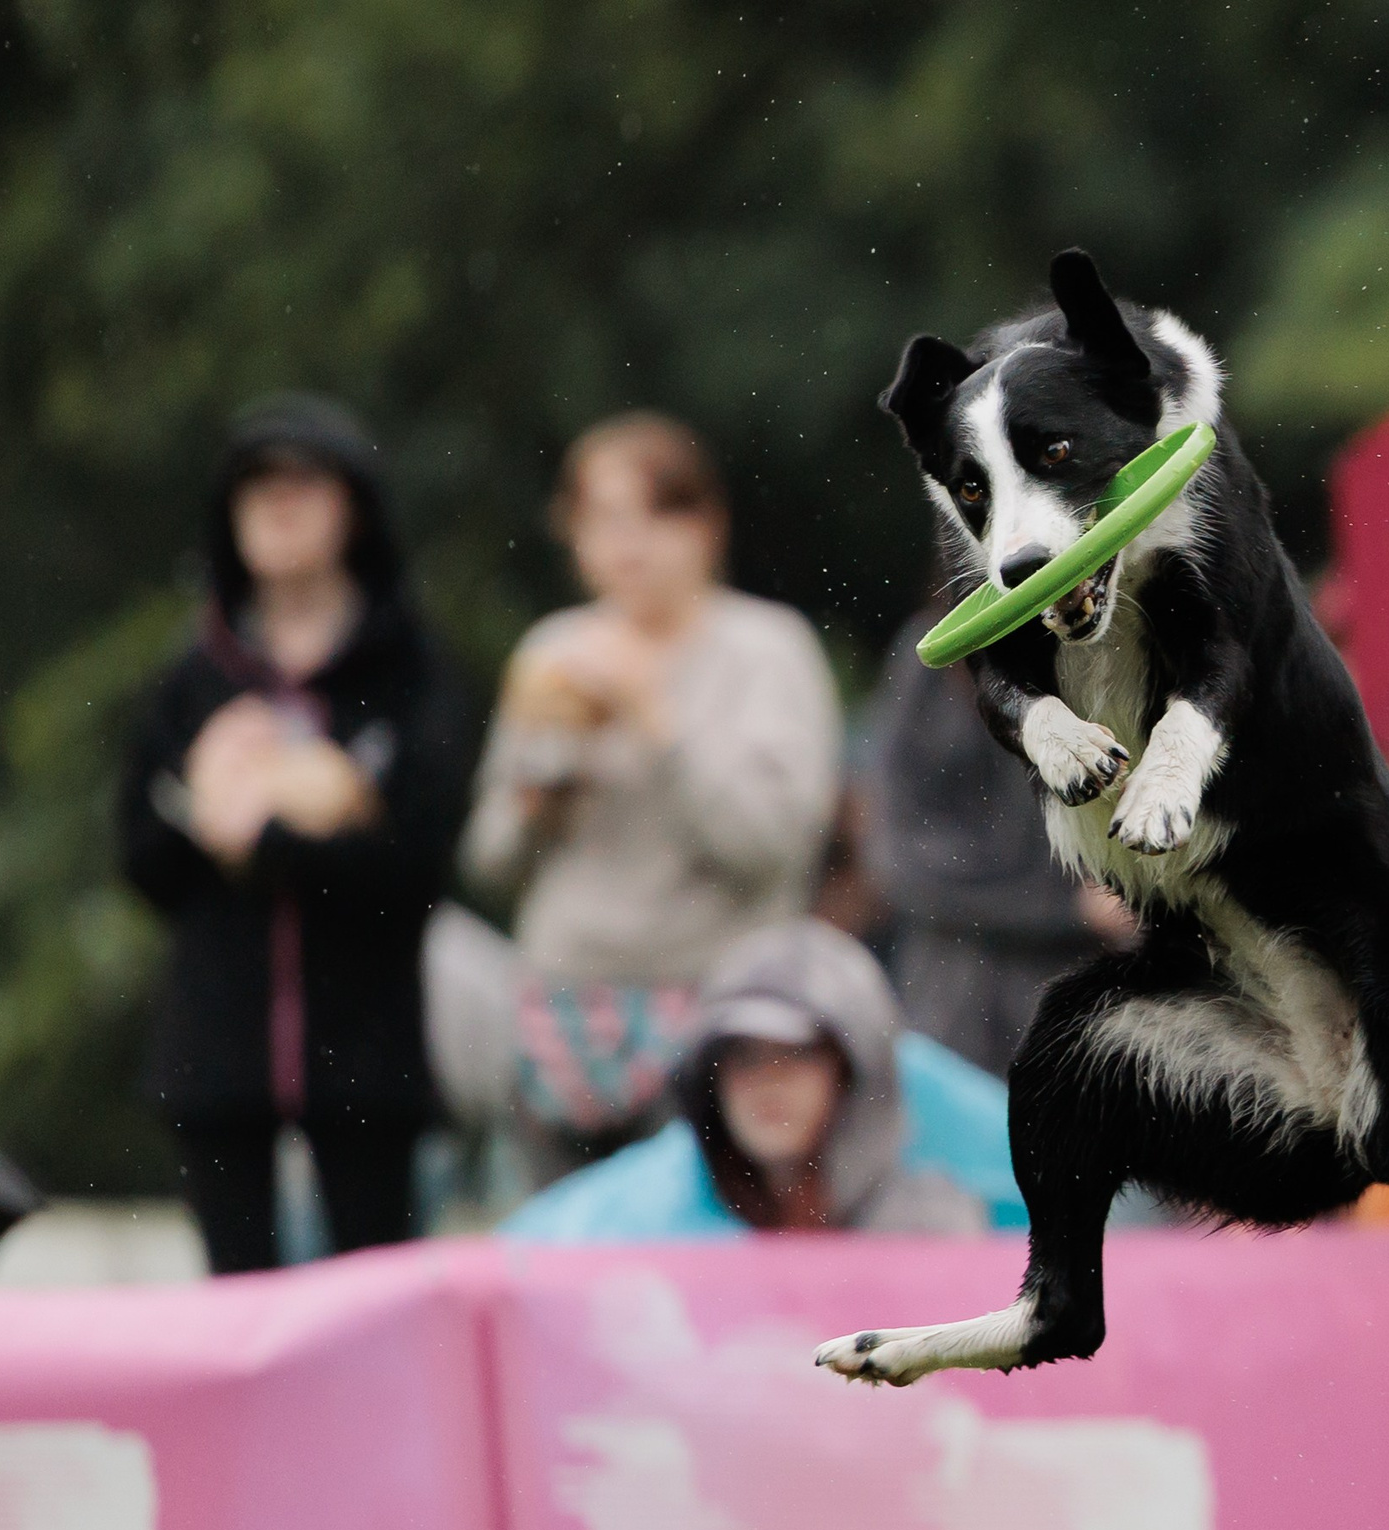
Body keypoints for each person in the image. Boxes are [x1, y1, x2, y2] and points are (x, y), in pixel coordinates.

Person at [120, 394, 471, 1273]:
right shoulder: (194, 677)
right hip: (220, 1053)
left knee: (371, 1301)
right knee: (237, 1305)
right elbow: (141, 859)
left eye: (303, 488)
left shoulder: (411, 672)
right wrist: (208, 811)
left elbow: (422, 860)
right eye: (257, 492)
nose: (279, 509)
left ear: (352, 509)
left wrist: (270, 839)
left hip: (365, 1055)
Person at [461, 413, 842, 1178]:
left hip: (717, 1008)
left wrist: (656, 724)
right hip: (560, 1010)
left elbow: (773, 849)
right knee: (558, 1263)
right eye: (601, 518)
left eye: (655, 515)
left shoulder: (769, 652)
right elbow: (488, 862)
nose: (627, 543)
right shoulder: (552, 652)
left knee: (701, 1260)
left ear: (707, 526)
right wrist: (539, 790)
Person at [499, 919, 1001, 1240]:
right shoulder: (663, 1229)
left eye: (798, 1055)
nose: (769, 1083)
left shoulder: (937, 1231)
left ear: (853, 1074)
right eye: (742, 1058)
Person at [861, 603, 1133, 1076]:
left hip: (1096, 1002)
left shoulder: (1112, 646)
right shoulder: (930, 656)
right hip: (957, 998)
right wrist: (1066, 903)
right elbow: (898, 856)